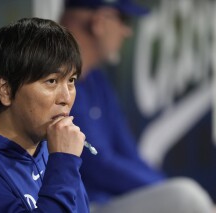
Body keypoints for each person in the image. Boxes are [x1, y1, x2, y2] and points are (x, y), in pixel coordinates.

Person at [60, 0, 215, 212]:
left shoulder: (96, 80)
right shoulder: (53, 82)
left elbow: (128, 151)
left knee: (183, 195)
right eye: (123, 19)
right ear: (99, 22)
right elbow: (98, 164)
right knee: (185, 197)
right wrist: (167, 190)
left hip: (105, 201)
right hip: (74, 205)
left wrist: (162, 187)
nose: (127, 31)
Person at [0, 17, 90, 212]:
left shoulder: (50, 151)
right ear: (5, 90)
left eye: (71, 80)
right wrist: (63, 162)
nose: (66, 97)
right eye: (51, 81)